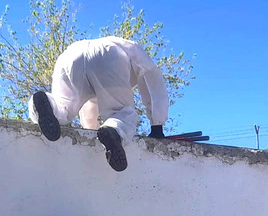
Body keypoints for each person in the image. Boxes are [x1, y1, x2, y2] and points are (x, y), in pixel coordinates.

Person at [29, 36, 169, 172]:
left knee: (63, 108)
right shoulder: (130, 49)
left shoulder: (81, 49)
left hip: (69, 57)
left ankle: (44, 105)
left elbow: (89, 107)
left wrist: (92, 134)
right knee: (122, 113)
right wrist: (157, 125)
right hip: (110, 56)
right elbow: (152, 82)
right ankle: (115, 130)